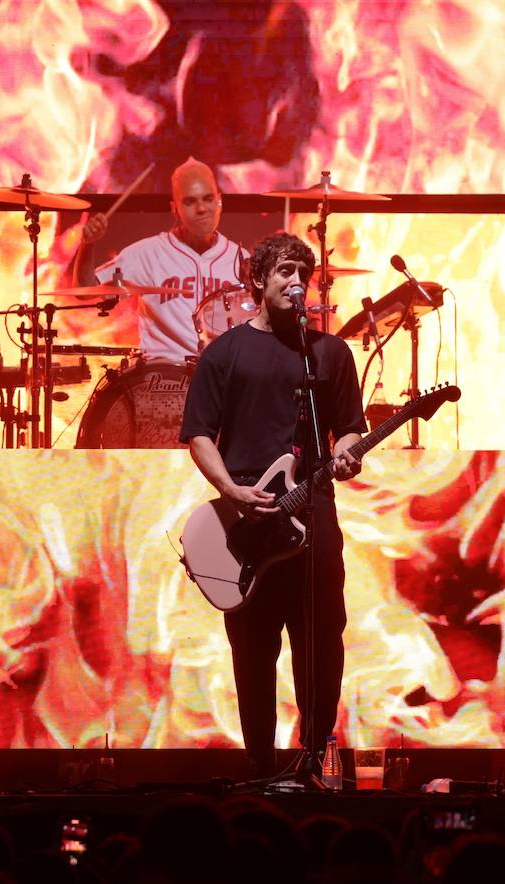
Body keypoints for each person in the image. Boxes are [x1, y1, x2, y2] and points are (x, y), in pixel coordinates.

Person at [178, 232, 365, 779]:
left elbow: (349, 431)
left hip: (314, 520)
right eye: (285, 272)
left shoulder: (329, 353)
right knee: (254, 652)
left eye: (304, 275)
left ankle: (312, 759)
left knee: (322, 641)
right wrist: (233, 491)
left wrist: (349, 455)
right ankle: (260, 766)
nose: (297, 283)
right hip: (250, 524)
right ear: (257, 280)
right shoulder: (226, 352)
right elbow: (198, 436)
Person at [72, 157, 248, 361]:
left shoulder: (241, 259)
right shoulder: (147, 253)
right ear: (175, 209)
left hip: (222, 381)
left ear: (219, 202)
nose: (201, 208)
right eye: (190, 201)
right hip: (162, 381)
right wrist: (87, 244)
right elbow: (84, 289)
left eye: (208, 199)